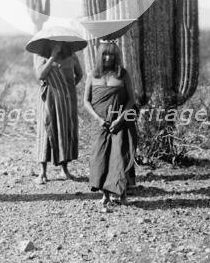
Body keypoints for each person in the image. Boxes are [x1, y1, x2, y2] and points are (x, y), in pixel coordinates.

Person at [26, 27, 86, 184]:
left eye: (60, 41)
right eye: (54, 41)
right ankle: (42, 172)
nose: (58, 43)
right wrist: (52, 58)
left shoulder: (71, 56)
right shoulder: (40, 56)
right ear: (47, 43)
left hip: (66, 101)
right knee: (46, 131)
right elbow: (40, 75)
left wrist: (69, 88)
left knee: (64, 132)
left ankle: (64, 170)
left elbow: (79, 74)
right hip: (47, 100)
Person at [84, 41, 137, 206]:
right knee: (100, 157)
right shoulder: (93, 75)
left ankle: (122, 194)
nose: (108, 57)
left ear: (116, 57)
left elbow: (131, 99)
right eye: (105, 54)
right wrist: (98, 119)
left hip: (120, 121)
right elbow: (86, 101)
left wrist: (120, 119)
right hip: (100, 123)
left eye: (112, 55)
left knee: (119, 156)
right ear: (100, 56)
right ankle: (105, 194)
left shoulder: (123, 74)